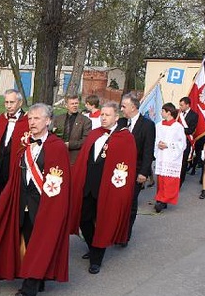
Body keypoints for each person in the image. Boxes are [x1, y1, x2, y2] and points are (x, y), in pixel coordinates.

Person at [0, 103, 70, 296]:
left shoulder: (56, 146)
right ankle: (37, 277)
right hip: (22, 201)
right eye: (30, 119)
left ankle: (29, 289)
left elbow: (58, 182)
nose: (32, 123)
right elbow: (18, 174)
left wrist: (52, 207)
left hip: (43, 204)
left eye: (37, 119)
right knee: (25, 239)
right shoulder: (25, 143)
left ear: (48, 121)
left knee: (40, 243)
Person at [68, 102, 136, 275]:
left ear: (116, 117)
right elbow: (84, 159)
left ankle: (96, 258)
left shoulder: (125, 137)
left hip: (108, 189)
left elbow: (126, 165)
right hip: (88, 186)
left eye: (107, 115)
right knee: (84, 219)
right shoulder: (95, 134)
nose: (103, 118)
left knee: (103, 223)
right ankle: (92, 246)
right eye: (102, 115)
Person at [0, 88, 28, 218]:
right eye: (6, 102)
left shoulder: (26, 120)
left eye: (12, 102)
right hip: (0, 162)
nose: (8, 106)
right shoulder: (1, 119)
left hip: (14, 163)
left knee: (11, 192)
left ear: (19, 103)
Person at [120, 93, 155, 245]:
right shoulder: (121, 122)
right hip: (119, 171)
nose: (121, 109)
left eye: (123, 106)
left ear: (133, 107)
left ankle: (125, 235)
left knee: (130, 202)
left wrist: (143, 173)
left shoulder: (147, 125)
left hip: (136, 171)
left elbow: (148, 151)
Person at [153, 103, 186, 212]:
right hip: (161, 155)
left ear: (169, 112)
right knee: (161, 180)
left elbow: (182, 144)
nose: (161, 113)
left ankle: (164, 200)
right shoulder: (158, 125)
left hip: (171, 157)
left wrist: (168, 145)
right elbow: (156, 138)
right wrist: (158, 143)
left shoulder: (178, 127)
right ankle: (160, 199)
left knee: (169, 181)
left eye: (163, 111)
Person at [52, 94, 92, 164]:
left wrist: (70, 145)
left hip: (74, 157)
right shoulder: (58, 119)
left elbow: (86, 140)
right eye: (72, 104)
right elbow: (53, 135)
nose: (75, 106)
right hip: (58, 155)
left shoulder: (86, 121)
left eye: (76, 103)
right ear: (66, 105)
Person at [178, 96, 200, 182]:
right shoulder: (178, 114)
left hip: (186, 141)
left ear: (187, 105)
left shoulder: (194, 115)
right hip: (177, 142)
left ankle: (180, 181)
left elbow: (190, 130)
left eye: (182, 105)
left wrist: (178, 129)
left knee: (183, 163)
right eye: (180, 105)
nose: (180, 107)